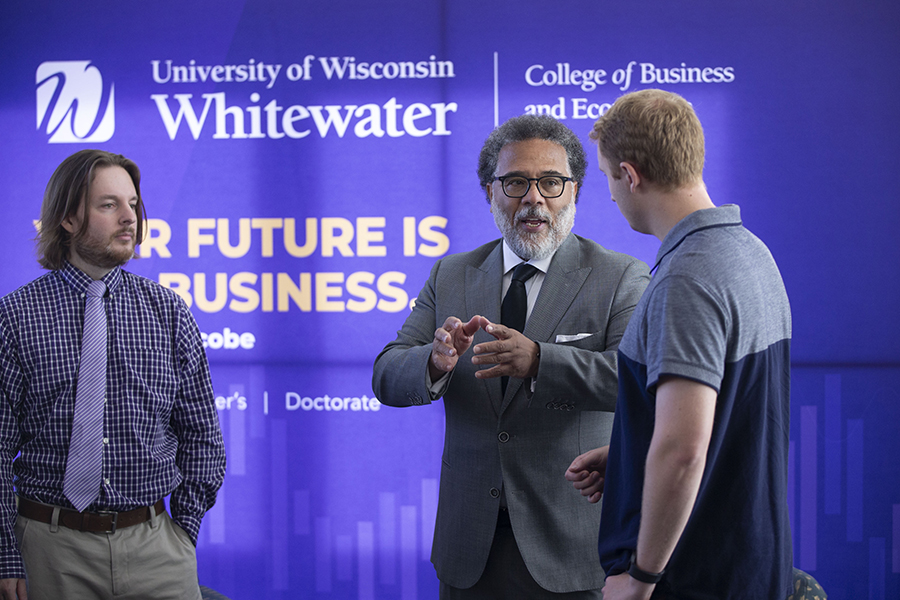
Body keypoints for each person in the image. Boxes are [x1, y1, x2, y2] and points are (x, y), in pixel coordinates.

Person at [372, 114, 650, 598]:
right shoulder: (452, 274)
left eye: (550, 182)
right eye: (516, 182)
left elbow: (634, 380)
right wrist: (435, 362)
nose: (534, 198)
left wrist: (542, 360)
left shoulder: (620, 276)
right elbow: (386, 374)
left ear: (575, 191)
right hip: (470, 549)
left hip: (571, 546)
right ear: (490, 192)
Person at [566, 89, 792, 599]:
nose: (609, 194)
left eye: (606, 177)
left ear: (631, 174)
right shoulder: (751, 254)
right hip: (747, 569)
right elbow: (725, 416)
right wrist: (631, 450)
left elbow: (683, 450)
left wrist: (640, 578)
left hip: (690, 578)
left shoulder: (685, 280)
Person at [0, 149, 226, 600]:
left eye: (134, 204)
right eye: (109, 205)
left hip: (157, 548)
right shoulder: (16, 316)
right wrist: (7, 554)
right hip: (49, 550)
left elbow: (203, 437)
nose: (130, 218)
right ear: (67, 219)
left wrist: (181, 533)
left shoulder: (169, 312)